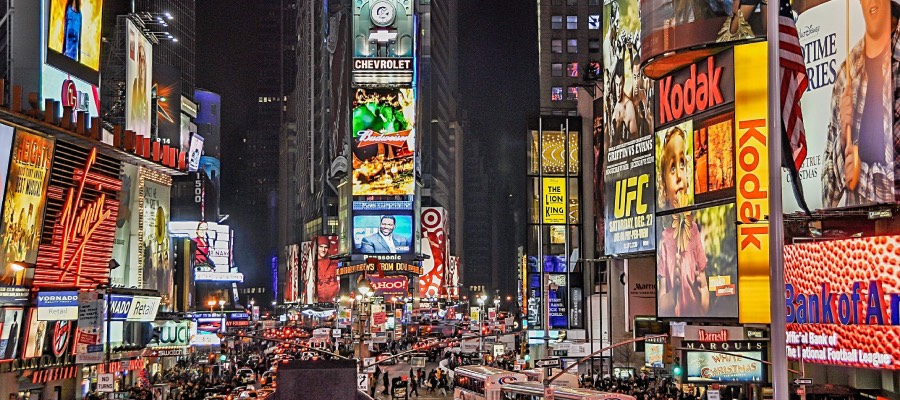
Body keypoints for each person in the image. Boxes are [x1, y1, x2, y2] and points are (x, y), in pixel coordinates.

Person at [821, 0, 894, 208]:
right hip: (856, 233)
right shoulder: (847, 73)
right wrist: (843, 139)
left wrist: (860, 175)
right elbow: (828, 197)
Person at [656, 127, 710, 318]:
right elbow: (662, 306)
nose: (679, 175)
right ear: (663, 182)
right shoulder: (663, 239)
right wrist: (675, 290)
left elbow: (705, 291)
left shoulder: (694, 231)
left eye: (682, 164)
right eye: (672, 168)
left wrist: (699, 291)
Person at [130, 39, 149, 137]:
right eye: (139, 60)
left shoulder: (147, 98)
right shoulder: (133, 87)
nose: (141, 65)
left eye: (143, 60)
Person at [315, 236, 339, 302]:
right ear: (316, 248)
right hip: (316, 301)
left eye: (325, 247)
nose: (323, 250)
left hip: (332, 301)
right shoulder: (311, 264)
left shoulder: (333, 263)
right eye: (321, 247)